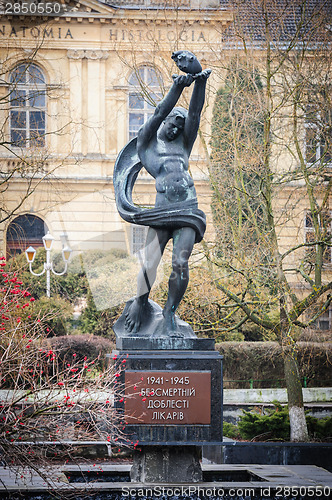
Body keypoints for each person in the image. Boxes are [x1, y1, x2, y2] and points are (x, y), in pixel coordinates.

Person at [123, 67, 211, 334]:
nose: (175, 130)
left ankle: (169, 313)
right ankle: (140, 301)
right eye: (173, 123)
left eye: (179, 128)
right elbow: (160, 111)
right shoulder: (147, 144)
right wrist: (178, 87)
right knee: (150, 261)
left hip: (187, 210)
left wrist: (199, 82)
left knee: (180, 263)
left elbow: (195, 113)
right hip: (163, 212)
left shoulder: (183, 145)